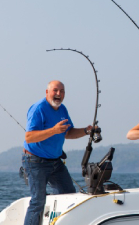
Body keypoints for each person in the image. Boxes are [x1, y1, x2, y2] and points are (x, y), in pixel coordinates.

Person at [22, 80, 93, 225]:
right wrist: (54, 130)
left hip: (55, 162)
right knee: (38, 201)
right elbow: (29, 137)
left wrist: (87, 131)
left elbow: (68, 133)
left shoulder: (63, 109)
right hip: (35, 161)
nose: (58, 94)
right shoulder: (38, 108)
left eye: (62, 91)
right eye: (55, 90)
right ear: (47, 92)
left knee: (69, 195)